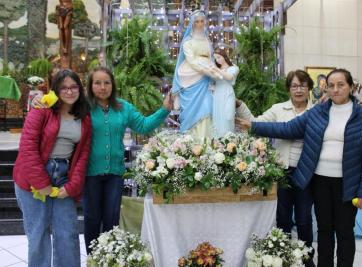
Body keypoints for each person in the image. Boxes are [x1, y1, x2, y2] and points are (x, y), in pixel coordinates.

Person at [238, 68, 362, 267]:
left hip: (348, 184)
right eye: (331, 85)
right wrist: (253, 127)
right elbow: (288, 129)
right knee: (323, 230)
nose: (336, 89)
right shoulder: (318, 112)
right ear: (326, 89)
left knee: (345, 231)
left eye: (341, 85)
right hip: (319, 181)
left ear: (350, 87)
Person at [83, 66, 173, 254]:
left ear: (113, 85)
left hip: (115, 173)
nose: (102, 87)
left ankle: (110, 259)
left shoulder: (123, 107)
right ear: (90, 86)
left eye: (106, 82)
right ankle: (93, 260)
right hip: (89, 173)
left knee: (111, 218)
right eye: (97, 83)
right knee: (92, 219)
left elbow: (143, 125)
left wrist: (164, 109)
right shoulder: (83, 108)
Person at [236, 69, 315, 267]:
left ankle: (306, 259)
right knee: (283, 218)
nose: (298, 90)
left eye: (302, 85)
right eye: (294, 86)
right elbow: (256, 122)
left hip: (307, 171)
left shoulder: (316, 112)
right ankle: (284, 258)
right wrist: (239, 105)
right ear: (288, 89)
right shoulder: (279, 109)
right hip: (282, 170)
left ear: (309, 89)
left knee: (305, 218)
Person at [13, 69, 92, 267]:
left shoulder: (84, 117)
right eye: (64, 87)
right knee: (38, 234)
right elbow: (27, 147)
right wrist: (41, 183)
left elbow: (83, 155)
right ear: (55, 89)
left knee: (67, 233)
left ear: (80, 89)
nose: (69, 91)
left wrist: (72, 186)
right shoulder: (42, 109)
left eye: (74, 87)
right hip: (33, 176)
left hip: (63, 176)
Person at [171, 10, 222, 140]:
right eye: (197, 21)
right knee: (190, 112)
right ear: (193, 24)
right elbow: (192, 61)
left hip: (206, 80)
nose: (200, 24)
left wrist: (213, 70)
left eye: (202, 21)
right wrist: (207, 70)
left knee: (208, 107)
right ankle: (191, 143)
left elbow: (211, 58)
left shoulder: (206, 40)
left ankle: (207, 142)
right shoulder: (188, 42)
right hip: (192, 77)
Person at [212, 47, 239, 138]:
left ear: (224, 56)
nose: (217, 60)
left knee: (228, 116)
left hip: (228, 92)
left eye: (219, 57)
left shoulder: (233, 68)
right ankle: (218, 140)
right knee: (218, 117)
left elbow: (229, 77)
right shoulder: (216, 69)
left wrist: (216, 69)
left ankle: (229, 139)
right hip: (217, 94)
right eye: (216, 58)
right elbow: (214, 82)